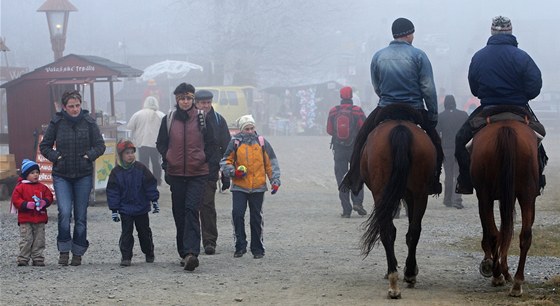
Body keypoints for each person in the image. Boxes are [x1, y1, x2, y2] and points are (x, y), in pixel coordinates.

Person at [341, 17, 443, 196]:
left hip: (386, 106)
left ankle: (354, 178)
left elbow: (377, 86)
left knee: (360, 140)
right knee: (436, 145)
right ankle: (434, 180)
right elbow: (427, 87)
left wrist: (386, 97)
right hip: (415, 108)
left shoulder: (378, 56)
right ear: (410, 34)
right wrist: (433, 115)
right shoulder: (419, 55)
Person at [455, 16, 546, 194]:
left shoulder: (479, 56)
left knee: (460, 139)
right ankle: (537, 180)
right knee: (539, 142)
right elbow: (535, 86)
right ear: (510, 31)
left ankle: (465, 181)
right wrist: (523, 95)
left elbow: (474, 88)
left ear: (492, 32)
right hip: (518, 107)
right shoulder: (523, 56)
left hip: (489, 107)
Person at [39, 90, 106, 266]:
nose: (75, 109)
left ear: (81, 105)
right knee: (65, 212)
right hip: (62, 175)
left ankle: (78, 252)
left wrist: (89, 156)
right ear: (64, 107)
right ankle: (63, 250)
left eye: (77, 105)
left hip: (83, 175)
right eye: (71, 106)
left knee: (81, 216)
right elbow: (44, 146)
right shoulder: (57, 122)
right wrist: (56, 157)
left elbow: (100, 146)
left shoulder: (89, 122)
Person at [156, 82, 218, 271]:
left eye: (188, 98)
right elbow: (161, 143)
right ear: (177, 99)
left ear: (193, 99)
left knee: (192, 209)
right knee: (179, 212)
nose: (185, 101)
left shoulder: (202, 118)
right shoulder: (169, 119)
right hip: (176, 173)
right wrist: (168, 159)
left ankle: (192, 252)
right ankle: (183, 252)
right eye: (182, 98)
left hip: (197, 173)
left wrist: (204, 159)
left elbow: (212, 144)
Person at [220, 115, 281, 259]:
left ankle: (257, 248)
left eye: (252, 128)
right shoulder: (234, 143)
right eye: (246, 129)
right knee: (238, 214)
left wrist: (275, 180)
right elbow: (225, 161)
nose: (250, 131)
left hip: (258, 187)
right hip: (239, 186)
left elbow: (270, 163)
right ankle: (240, 246)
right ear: (241, 130)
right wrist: (234, 172)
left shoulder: (262, 143)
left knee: (256, 218)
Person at [106, 139, 160, 267]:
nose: (130, 155)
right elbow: (113, 192)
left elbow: (150, 185)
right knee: (126, 233)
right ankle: (126, 256)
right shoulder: (116, 172)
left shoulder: (141, 168)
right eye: (127, 153)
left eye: (132, 152)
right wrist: (114, 210)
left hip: (141, 207)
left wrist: (154, 200)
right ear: (120, 155)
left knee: (144, 232)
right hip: (125, 209)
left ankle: (149, 252)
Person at [194, 89, 231, 255]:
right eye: (202, 103)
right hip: (192, 169)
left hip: (211, 168)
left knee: (207, 205)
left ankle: (209, 241)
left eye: (208, 102)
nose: (206, 105)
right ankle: (192, 241)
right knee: (191, 206)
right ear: (196, 103)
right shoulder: (189, 120)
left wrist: (226, 172)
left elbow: (227, 147)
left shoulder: (218, 120)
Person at [326, 86, 367, 218]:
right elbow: (364, 129)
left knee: (341, 178)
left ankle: (346, 209)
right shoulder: (357, 111)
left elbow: (329, 130)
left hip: (338, 149)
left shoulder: (333, 111)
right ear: (351, 96)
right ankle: (358, 203)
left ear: (341, 96)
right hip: (355, 149)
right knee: (357, 175)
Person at [10, 159, 54, 266]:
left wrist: (45, 202)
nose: (35, 175)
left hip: (40, 218)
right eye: (32, 173)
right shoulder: (20, 187)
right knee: (26, 239)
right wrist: (25, 204)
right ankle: (23, 258)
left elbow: (49, 196)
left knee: (39, 239)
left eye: (37, 172)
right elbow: (16, 200)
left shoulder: (42, 187)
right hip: (25, 218)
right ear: (26, 174)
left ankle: (37, 257)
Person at [437, 95, 468, 208]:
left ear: (445, 103)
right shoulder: (463, 115)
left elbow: (436, 133)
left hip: (447, 148)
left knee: (448, 175)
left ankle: (447, 199)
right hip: (460, 148)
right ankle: (457, 199)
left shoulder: (441, 116)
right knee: (458, 173)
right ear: (455, 103)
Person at [127, 96, 165, 185]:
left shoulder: (138, 114)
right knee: (156, 163)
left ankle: (145, 180)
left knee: (144, 163)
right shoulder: (161, 115)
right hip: (157, 144)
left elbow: (130, 127)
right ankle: (157, 180)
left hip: (142, 142)